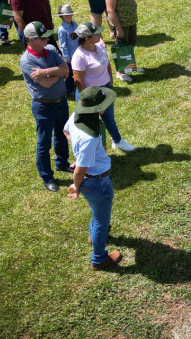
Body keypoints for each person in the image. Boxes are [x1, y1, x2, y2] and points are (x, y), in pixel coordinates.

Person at [64, 86, 123, 271]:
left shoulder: (75, 117)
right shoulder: (89, 138)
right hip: (97, 182)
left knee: (97, 213)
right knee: (101, 221)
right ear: (98, 108)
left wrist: (80, 153)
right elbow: (80, 170)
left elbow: (65, 131)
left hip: (92, 180)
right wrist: (77, 186)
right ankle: (99, 259)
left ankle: (93, 236)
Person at [19, 21, 70, 192]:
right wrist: (57, 73)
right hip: (44, 107)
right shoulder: (26, 61)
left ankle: (62, 163)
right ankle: (47, 177)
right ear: (31, 40)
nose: (47, 40)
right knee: (44, 143)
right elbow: (47, 84)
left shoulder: (50, 51)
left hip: (61, 102)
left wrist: (46, 71)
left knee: (62, 135)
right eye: (43, 38)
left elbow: (66, 69)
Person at [70, 22, 135, 152]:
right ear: (87, 38)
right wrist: (87, 99)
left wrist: (110, 80)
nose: (100, 34)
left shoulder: (99, 45)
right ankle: (94, 149)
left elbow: (107, 63)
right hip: (90, 95)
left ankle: (117, 141)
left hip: (105, 89)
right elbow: (78, 80)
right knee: (91, 123)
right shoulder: (79, 56)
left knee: (109, 117)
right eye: (96, 33)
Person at [104, 0, 140, 83]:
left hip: (131, 21)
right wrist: (118, 28)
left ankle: (128, 66)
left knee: (129, 46)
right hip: (122, 24)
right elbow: (110, 11)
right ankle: (120, 72)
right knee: (121, 48)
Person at [56, 4, 79, 96]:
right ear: (62, 17)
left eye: (70, 14)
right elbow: (63, 45)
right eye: (66, 15)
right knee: (68, 74)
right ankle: (69, 90)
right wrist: (67, 57)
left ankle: (77, 86)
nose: (69, 16)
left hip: (77, 52)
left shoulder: (75, 25)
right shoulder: (62, 30)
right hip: (70, 55)